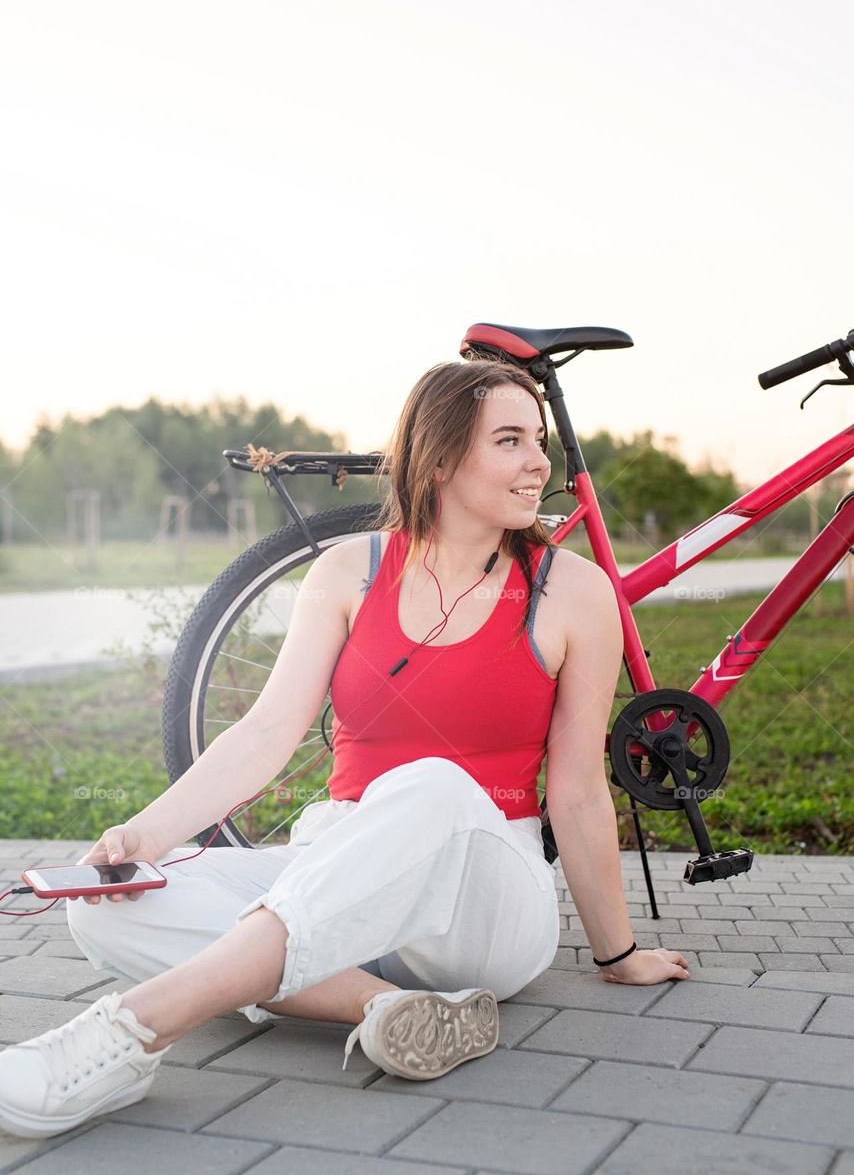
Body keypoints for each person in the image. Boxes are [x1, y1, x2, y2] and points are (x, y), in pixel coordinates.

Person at [0, 357, 689, 1139]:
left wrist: (617, 952)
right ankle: (387, 1008)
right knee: (106, 911)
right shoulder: (347, 572)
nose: (541, 463)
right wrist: (138, 839)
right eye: (510, 441)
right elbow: (264, 732)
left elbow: (576, 787)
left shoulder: (572, 590)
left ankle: (125, 1035)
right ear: (438, 458)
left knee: (429, 783)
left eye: (538, 440)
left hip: (482, 897)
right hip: (341, 875)